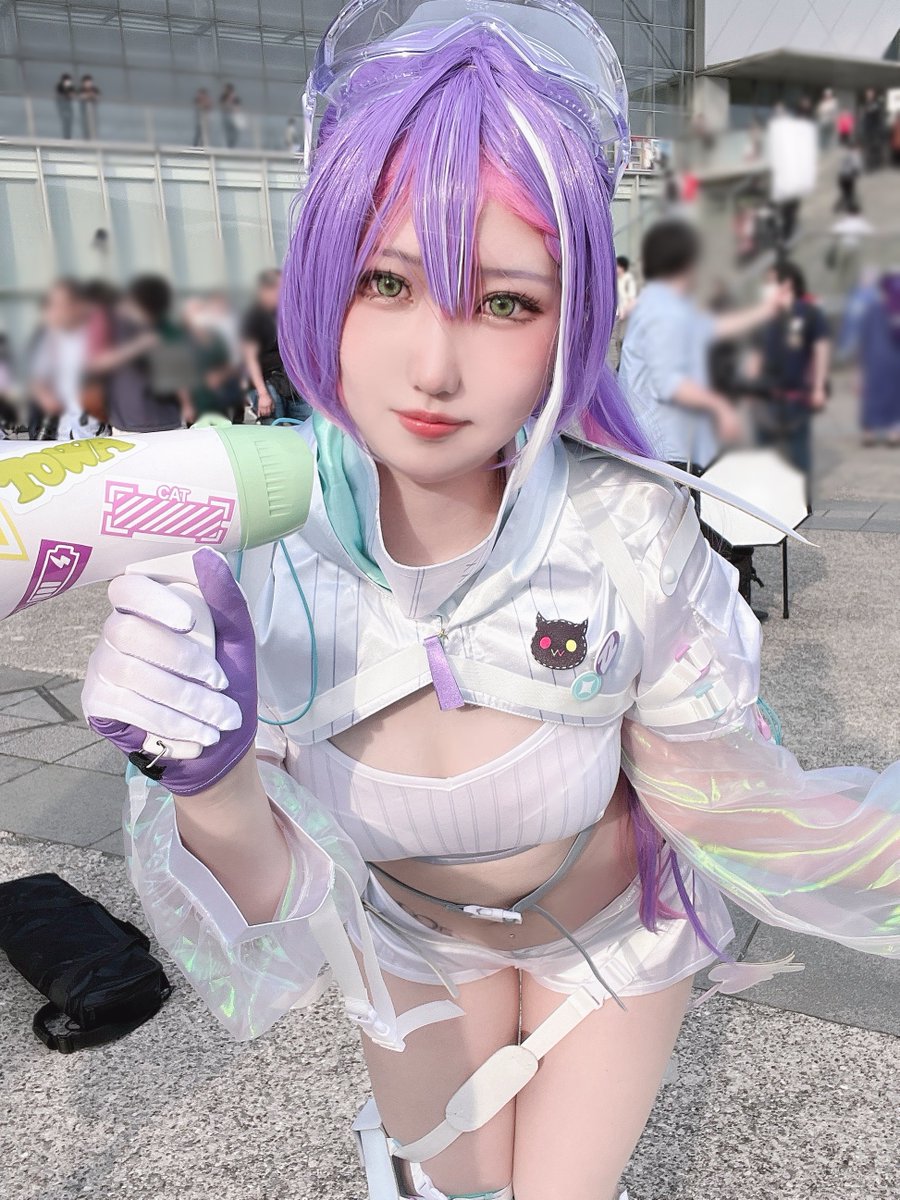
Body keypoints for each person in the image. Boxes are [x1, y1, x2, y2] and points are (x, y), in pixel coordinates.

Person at [80, 5, 900, 1200]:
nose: (434, 368)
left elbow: (739, 805)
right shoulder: (250, 551)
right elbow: (269, 912)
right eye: (386, 282)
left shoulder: (629, 531)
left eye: (506, 302)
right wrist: (204, 782)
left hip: (616, 945)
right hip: (411, 944)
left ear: (576, 316)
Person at [618, 218, 779, 473]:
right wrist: (720, 407)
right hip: (666, 450)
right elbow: (670, 383)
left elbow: (711, 328)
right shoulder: (663, 311)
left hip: (671, 446)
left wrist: (764, 312)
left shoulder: (668, 303)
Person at [746, 261, 830, 478]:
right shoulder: (764, 317)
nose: (767, 288)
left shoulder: (809, 313)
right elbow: (755, 354)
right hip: (765, 398)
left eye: (771, 282)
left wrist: (819, 388)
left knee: (798, 459)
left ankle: (800, 495)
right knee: (763, 457)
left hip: (796, 398)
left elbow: (820, 350)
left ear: (787, 284)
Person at [87, 274, 195, 435]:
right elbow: (97, 364)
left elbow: (178, 372)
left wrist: (187, 405)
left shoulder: (165, 327)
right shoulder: (112, 324)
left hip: (167, 421)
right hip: (128, 425)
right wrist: (138, 346)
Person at [27, 278, 102, 441]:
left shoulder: (95, 336)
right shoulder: (47, 338)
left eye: (63, 304)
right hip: (57, 433)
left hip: (93, 431)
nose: (58, 310)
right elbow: (36, 378)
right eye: (53, 305)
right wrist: (45, 396)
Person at [240, 268, 310, 425]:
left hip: (291, 381)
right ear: (266, 290)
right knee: (275, 427)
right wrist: (263, 394)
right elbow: (250, 359)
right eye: (280, 289)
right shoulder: (253, 317)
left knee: (308, 424)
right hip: (266, 383)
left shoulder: (286, 313)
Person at [858, 272, 900, 447]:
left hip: (874, 361)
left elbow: (865, 338)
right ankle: (893, 433)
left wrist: (860, 368)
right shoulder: (894, 309)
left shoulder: (873, 309)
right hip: (894, 362)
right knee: (894, 398)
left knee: (872, 396)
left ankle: (869, 433)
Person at [608, 255, 637, 369]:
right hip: (616, 315)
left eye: (618, 266)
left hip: (625, 316)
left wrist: (625, 312)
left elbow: (632, 299)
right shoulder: (615, 280)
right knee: (615, 341)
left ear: (623, 267)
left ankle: (622, 366)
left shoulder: (628, 279)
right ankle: (618, 366)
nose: (616, 268)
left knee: (622, 341)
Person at [834, 135, 863, 212]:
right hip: (848, 177)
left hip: (841, 177)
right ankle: (850, 207)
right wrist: (857, 173)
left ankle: (840, 206)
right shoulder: (854, 153)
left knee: (846, 193)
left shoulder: (845, 152)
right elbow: (856, 166)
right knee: (849, 193)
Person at [860, 87, 884, 171]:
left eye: (870, 94)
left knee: (874, 147)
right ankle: (869, 164)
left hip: (874, 130)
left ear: (873, 95)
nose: (869, 95)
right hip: (867, 129)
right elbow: (865, 116)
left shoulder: (876, 104)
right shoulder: (866, 104)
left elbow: (876, 115)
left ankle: (874, 164)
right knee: (868, 147)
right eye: (868, 94)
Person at [78, 74, 101, 140]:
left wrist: (92, 96)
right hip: (84, 112)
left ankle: (94, 139)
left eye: (89, 81)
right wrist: (88, 96)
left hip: (93, 111)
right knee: (86, 126)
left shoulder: (95, 89)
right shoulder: (81, 90)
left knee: (93, 126)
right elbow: (80, 97)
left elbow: (98, 97)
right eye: (86, 82)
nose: (88, 83)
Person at [815, 87, 837, 152]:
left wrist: (824, 111)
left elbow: (831, 110)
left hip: (830, 122)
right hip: (822, 121)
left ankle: (827, 148)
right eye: (826, 95)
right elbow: (818, 111)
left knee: (828, 135)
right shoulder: (822, 103)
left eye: (828, 95)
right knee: (822, 135)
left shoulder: (833, 102)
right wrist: (822, 111)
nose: (827, 96)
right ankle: (822, 147)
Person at [55, 73, 75, 139]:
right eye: (67, 81)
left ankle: (68, 136)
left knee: (69, 122)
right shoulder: (59, 87)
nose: (68, 82)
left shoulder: (71, 87)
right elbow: (59, 95)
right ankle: (65, 137)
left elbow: (73, 94)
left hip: (69, 108)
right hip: (62, 108)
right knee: (64, 122)